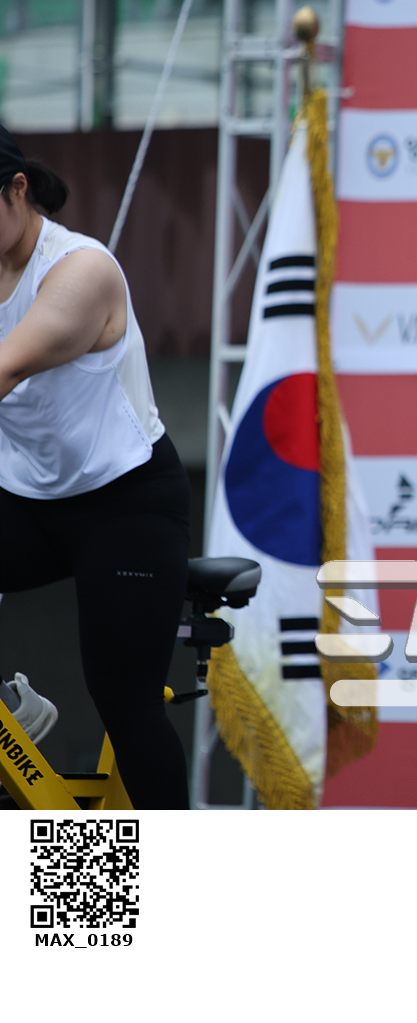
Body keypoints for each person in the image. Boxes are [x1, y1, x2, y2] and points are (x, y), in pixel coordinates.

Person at [0, 123, 191, 808]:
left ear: (17, 189)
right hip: (26, 498)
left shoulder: (81, 269)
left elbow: (7, 367)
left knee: (126, 702)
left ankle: (184, 864)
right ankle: (11, 707)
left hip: (126, 506)